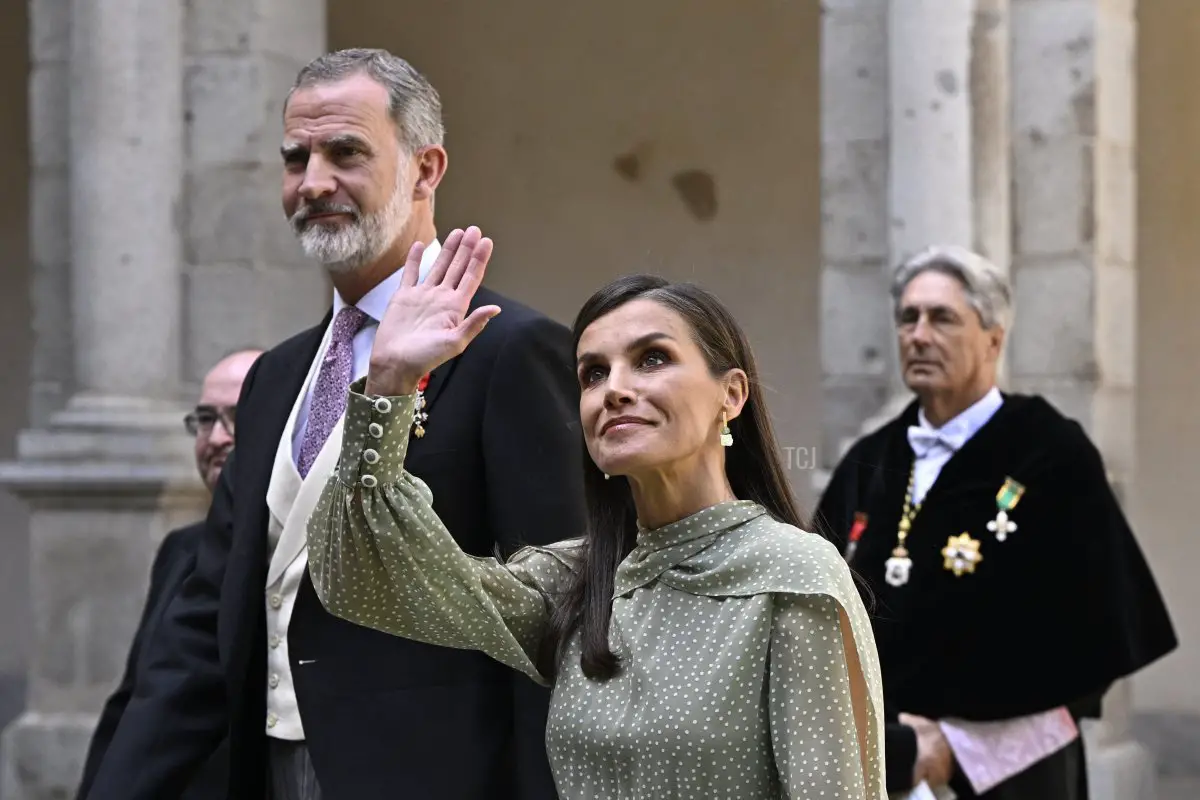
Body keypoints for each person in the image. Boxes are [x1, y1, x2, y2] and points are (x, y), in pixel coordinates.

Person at [84, 49, 583, 800]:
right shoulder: (275, 377)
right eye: (296, 158)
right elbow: (204, 617)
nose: (313, 182)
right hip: (272, 769)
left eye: (345, 152)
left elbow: (554, 617)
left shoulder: (509, 352)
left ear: (425, 169)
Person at [304, 233, 889, 799]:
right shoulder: (574, 582)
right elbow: (361, 576)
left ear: (731, 395)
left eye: (652, 359)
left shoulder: (794, 575)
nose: (615, 389)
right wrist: (389, 383)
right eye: (593, 373)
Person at [813, 245, 1178, 799]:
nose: (919, 334)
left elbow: (1095, 630)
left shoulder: (1049, 451)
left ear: (993, 338)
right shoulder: (872, 457)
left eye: (942, 318)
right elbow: (820, 606)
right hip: (884, 759)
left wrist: (958, 746)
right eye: (908, 318)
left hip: (1013, 767)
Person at [75, 349, 261, 800]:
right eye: (204, 419)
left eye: (237, 417)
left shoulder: (299, 546)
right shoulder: (181, 550)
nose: (217, 437)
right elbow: (137, 698)